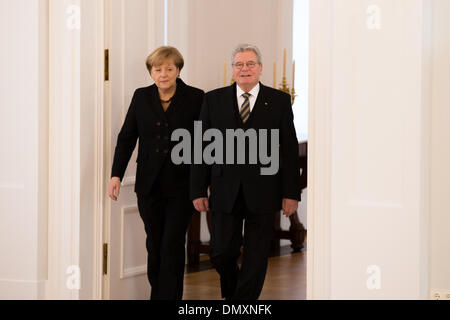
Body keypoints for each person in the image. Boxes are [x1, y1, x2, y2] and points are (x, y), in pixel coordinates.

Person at [190, 44, 301, 300]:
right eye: (239, 64)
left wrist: (290, 193)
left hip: (264, 190)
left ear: (260, 69)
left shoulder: (279, 101)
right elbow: (199, 147)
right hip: (224, 189)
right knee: (220, 251)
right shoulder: (213, 99)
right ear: (232, 70)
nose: (245, 69)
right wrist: (197, 189)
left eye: (250, 64)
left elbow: (289, 150)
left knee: (256, 253)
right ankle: (234, 295)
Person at [108, 46, 204, 300]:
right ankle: (158, 294)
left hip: (182, 186)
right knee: (155, 244)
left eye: (169, 69)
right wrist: (116, 174)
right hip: (148, 187)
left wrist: (202, 185)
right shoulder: (141, 97)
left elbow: (205, 144)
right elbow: (127, 138)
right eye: (157, 69)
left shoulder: (196, 97)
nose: (163, 74)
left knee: (172, 244)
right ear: (151, 72)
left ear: (178, 70)